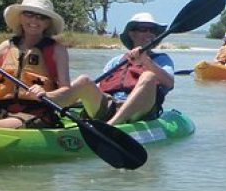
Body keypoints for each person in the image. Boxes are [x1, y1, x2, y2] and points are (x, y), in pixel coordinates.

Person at [46, 12, 175, 126]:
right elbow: (99, 87)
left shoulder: (162, 59)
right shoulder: (116, 61)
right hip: (111, 105)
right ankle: (43, 106)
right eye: (143, 29)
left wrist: (146, 61)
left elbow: (169, 82)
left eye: (152, 30)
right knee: (84, 80)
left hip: (141, 109)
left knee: (148, 76)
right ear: (132, 34)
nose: (148, 33)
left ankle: (111, 125)